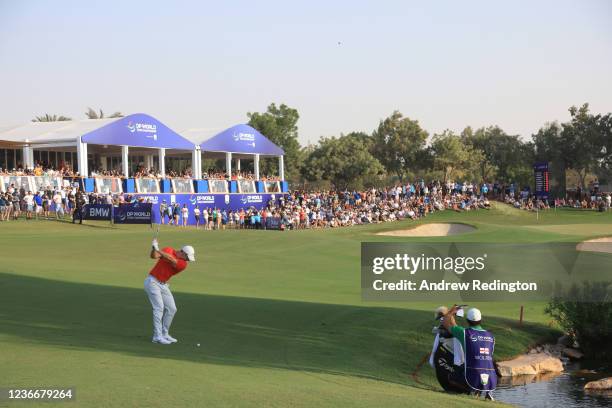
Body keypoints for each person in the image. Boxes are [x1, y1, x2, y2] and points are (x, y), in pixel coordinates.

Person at [144, 239, 196, 344]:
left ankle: (164, 333)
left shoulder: (183, 264)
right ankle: (157, 337)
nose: (188, 260)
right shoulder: (168, 249)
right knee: (159, 308)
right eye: (187, 257)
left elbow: (171, 259)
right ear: (182, 252)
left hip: (163, 285)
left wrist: (158, 249)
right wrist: (154, 248)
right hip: (152, 282)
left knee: (172, 309)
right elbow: (154, 256)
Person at [442, 305, 497, 400]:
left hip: (473, 375)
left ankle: (471, 391)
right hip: (491, 377)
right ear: (481, 320)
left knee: (451, 376)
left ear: (467, 320)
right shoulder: (491, 336)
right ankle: (485, 392)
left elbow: (445, 324)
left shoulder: (464, 333)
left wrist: (451, 312)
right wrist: (452, 317)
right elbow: (455, 327)